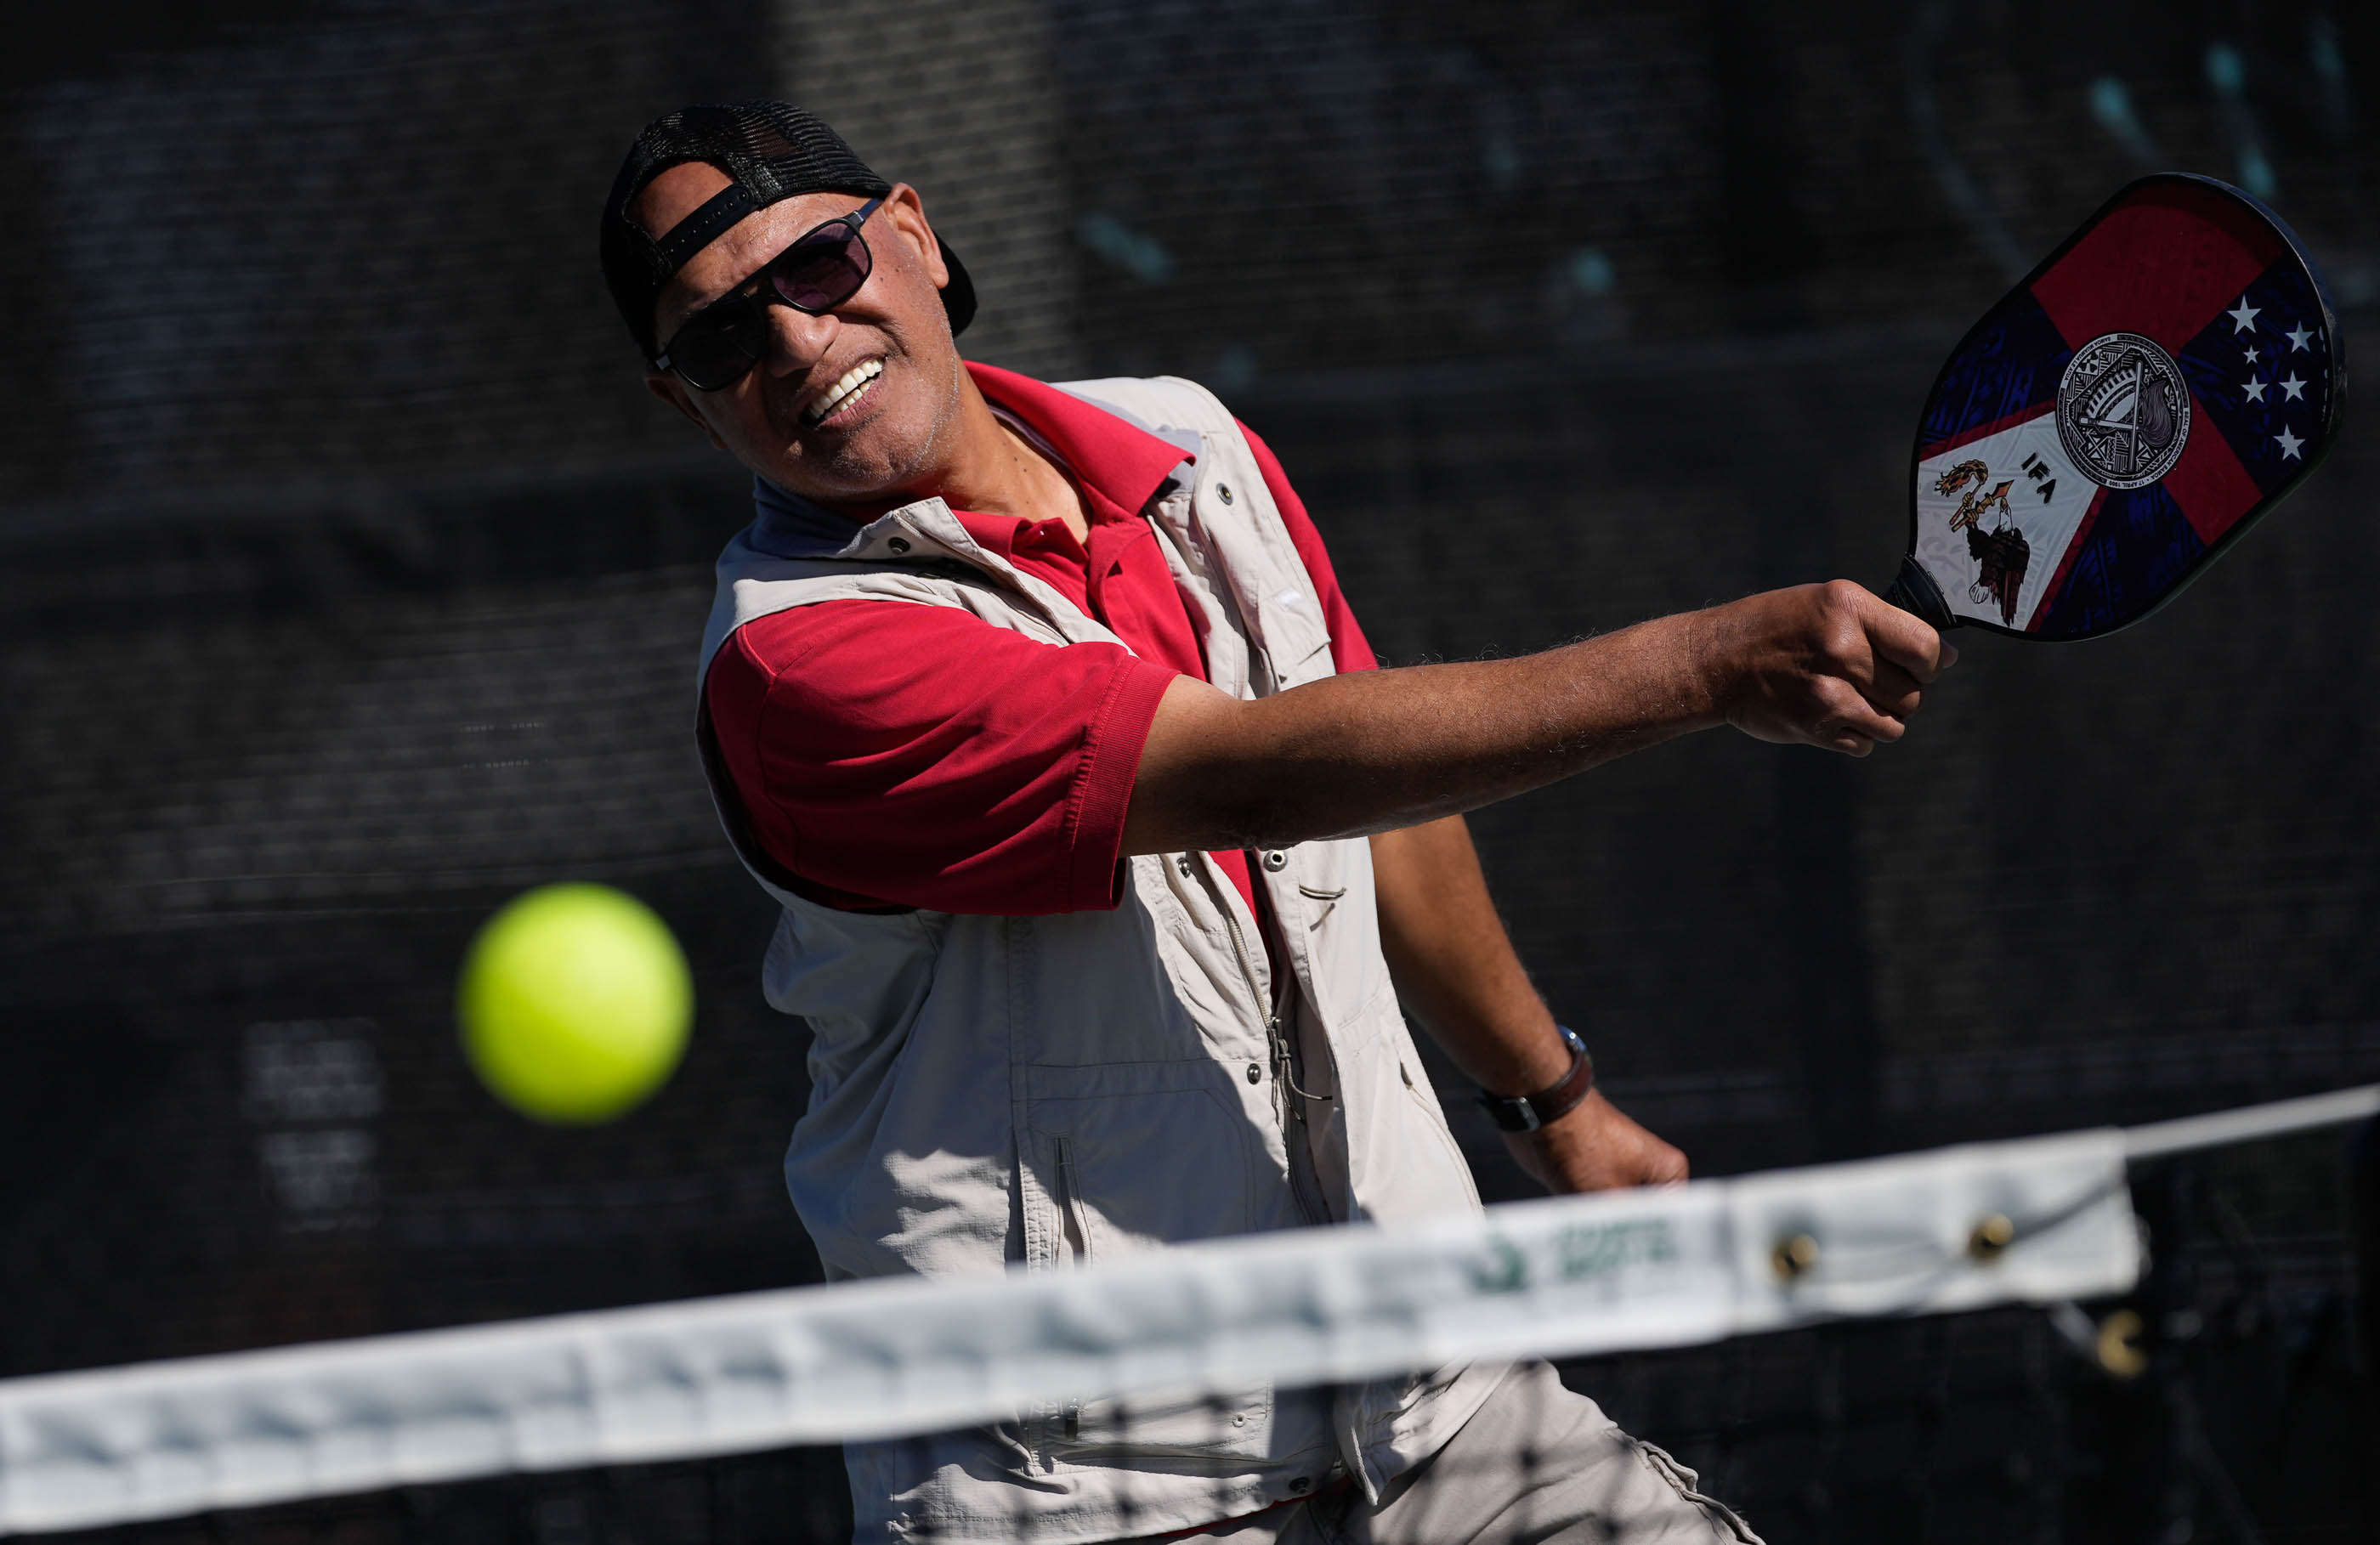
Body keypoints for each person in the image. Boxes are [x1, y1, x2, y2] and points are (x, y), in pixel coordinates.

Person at [598, 102, 1950, 1545]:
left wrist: (1558, 1106)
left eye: (816, 266)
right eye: (722, 338)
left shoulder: (1186, 440)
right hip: (1098, 1492)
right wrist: (1702, 667)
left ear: (915, 236)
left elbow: (1379, 800)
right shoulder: (795, 665)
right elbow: (1265, 776)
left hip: (1442, 1395)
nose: (795, 345)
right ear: (688, 403)